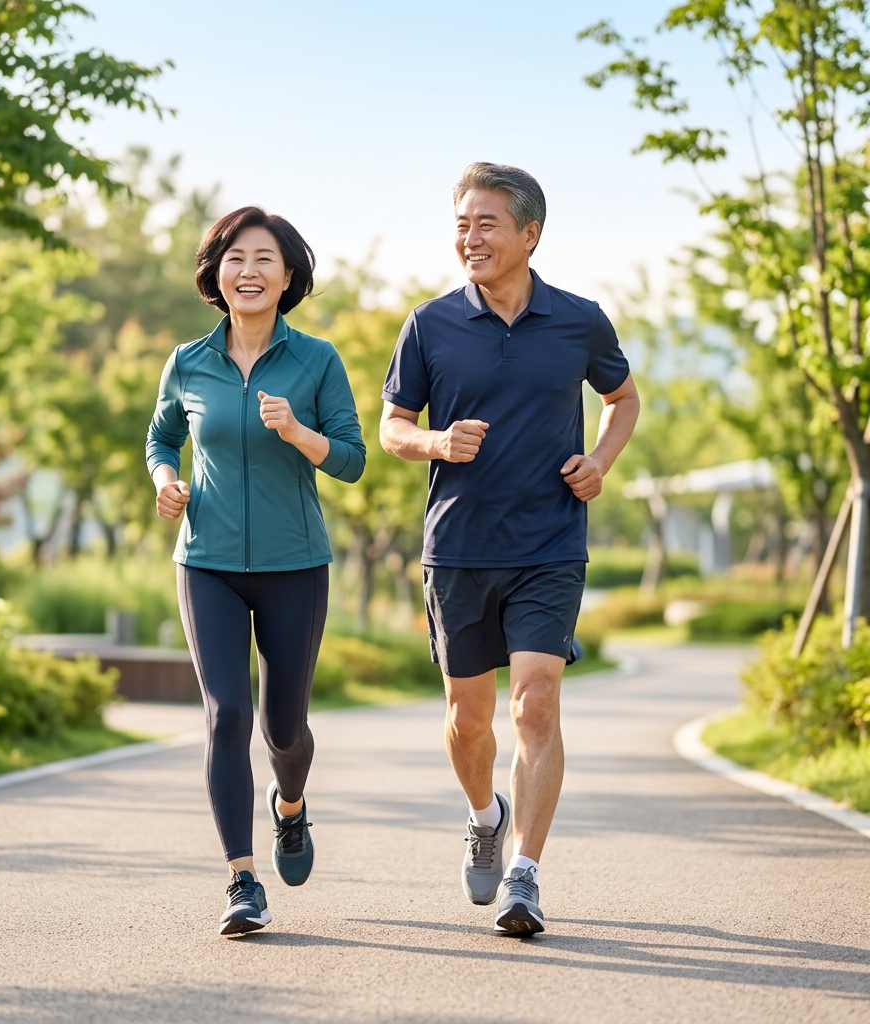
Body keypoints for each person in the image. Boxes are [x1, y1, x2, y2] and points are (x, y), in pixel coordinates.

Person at [380, 163, 639, 935]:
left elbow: (622, 399)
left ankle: (524, 874)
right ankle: (483, 813)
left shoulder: (579, 320)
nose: (470, 238)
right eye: (462, 223)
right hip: (458, 545)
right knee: (469, 718)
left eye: (486, 223)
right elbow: (392, 425)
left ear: (530, 233)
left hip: (550, 542)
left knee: (537, 703)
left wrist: (600, 461)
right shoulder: (429, 324)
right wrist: (434, 440)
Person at [146, 206, 365, 936]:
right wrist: (163, 480)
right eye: (236, 257)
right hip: (205, 561)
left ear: (289, 276)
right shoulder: (187, 362)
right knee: (226, 715)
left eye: (265, 258)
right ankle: (242, 880)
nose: (249, 270)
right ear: (216, 272)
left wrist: (300, 433)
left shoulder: (318, 361)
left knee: (283, 726)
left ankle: (291, 807)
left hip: (294, 565)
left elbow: (354, 459)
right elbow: (160, 438)